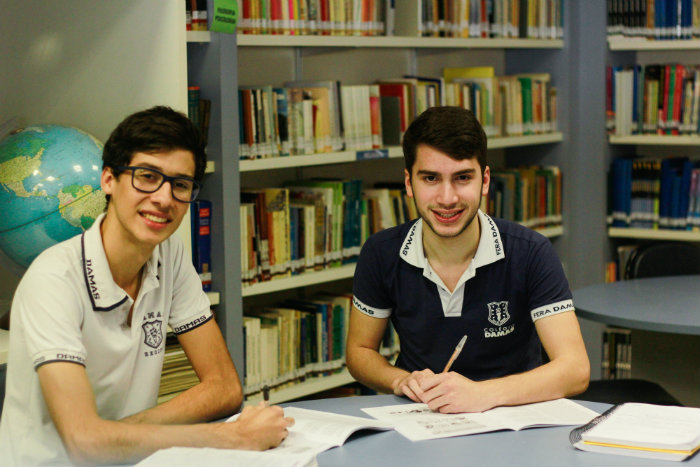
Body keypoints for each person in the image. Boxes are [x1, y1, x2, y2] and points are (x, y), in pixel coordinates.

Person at [0, 106, 293, 466]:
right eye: (147, 177)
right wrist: (229, 437)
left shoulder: (168, 254)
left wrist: (115, 435)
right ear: (108, 180)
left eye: (180, 185)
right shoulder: (52, 279)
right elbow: (83, 442)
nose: (164, 198)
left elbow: (225, 388)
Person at [346, 106, 590, 414]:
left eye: (462, 178)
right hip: (423, 419)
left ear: (485, 180)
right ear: (409, 183)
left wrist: (481, 394)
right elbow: (359, 351)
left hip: (514, 419)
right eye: (430, 178)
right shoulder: (380, 253)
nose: (447, 198)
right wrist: (400, 380)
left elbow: (575, 369)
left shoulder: (531, 252)